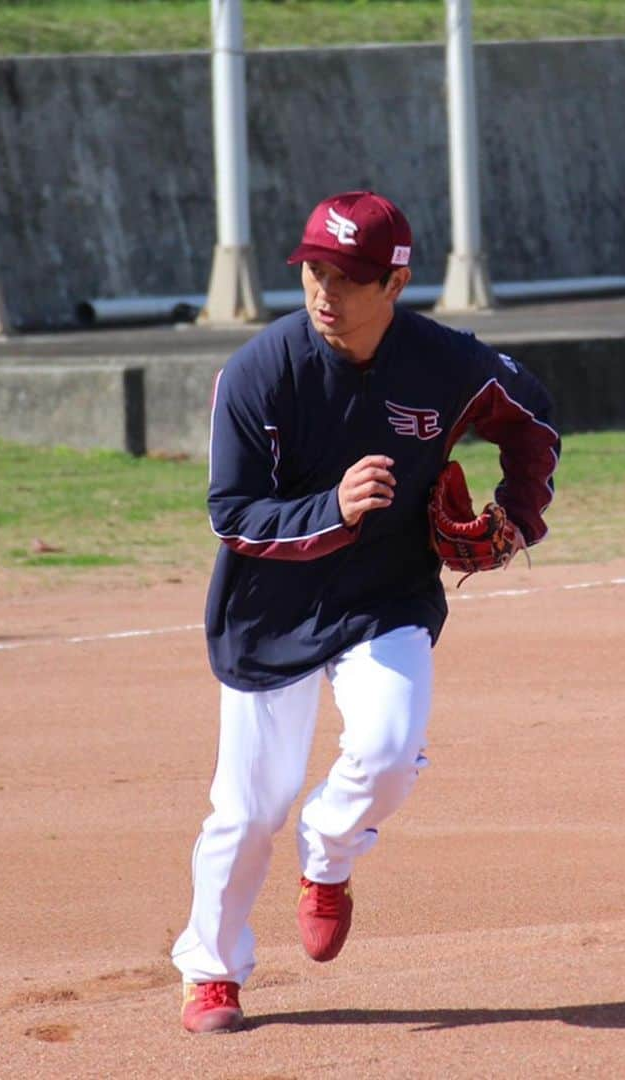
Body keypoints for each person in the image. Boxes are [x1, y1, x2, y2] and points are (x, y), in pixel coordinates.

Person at [172, 190, 560, 1034]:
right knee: (249, 808)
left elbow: (533, 418)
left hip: (387, 595)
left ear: (395, 281)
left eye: (347, 276)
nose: (324, 292)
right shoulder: (258, 373)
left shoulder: (445, 364)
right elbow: (232, 515)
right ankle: (213, 973)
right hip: (270, 608)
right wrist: (333, 510)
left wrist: (519, 511)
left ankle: (331, 851)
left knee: (386, 751)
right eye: (313, 270)